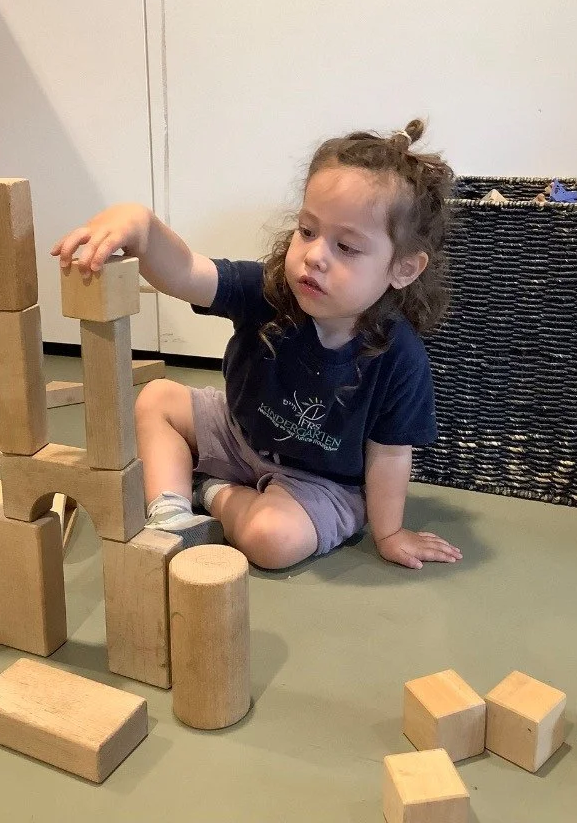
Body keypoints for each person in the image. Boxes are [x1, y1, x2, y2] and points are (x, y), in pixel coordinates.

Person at [51, 121, 463, 571]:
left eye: (346, 247)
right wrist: (141, 225)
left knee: (273, 540)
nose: (315, 256)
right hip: (237, 432)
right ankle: (171, 514)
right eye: (307, 231)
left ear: (403, 269)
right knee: (157, 399)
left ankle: (210, 491)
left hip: (319, 482)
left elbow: (389, 453)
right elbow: (187, 272)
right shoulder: (269, 289)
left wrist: (389, 533)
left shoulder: (400, 357)